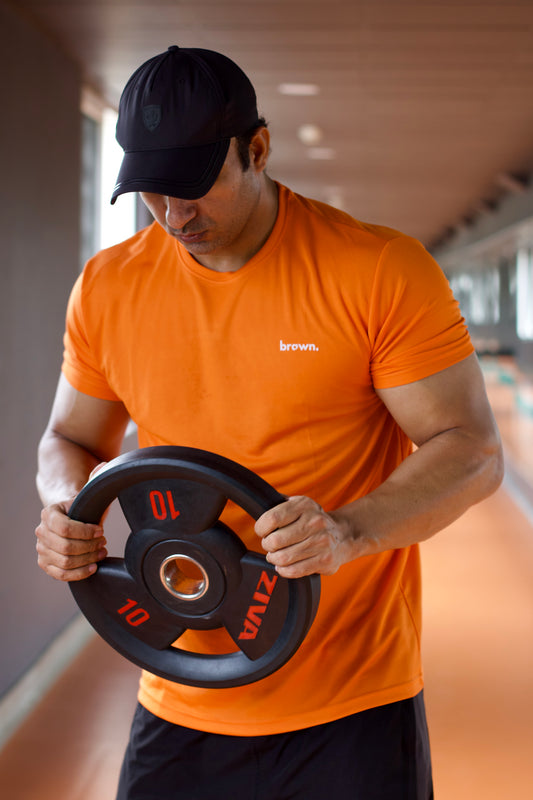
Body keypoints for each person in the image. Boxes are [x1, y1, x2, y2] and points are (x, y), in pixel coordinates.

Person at [35, 45, 503, 800]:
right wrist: (64, 503)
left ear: (256, 148)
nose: (174, 214)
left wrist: (347, 531)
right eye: (153, 190)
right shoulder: (108, 288)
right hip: (184, 686)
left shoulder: (376, 270)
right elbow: (68, 440)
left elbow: (472, 451)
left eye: (195, 184)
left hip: (352, 703)